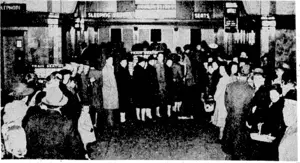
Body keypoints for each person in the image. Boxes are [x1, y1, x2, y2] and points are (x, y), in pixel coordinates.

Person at [23, 87, 86, 159]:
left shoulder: (33, 120)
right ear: (61, 105)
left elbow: (26, 142)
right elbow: (76, 148)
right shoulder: (67, 123)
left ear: (46, 103)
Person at [222, 73, 255, 160]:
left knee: (229, 139)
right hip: (242, 119)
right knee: (239, 142)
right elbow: (249, 106)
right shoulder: (251, 89)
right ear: (248, 76)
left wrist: (231, 112)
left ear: (239, 75)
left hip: (231, 116)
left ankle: (229, 157)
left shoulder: (229, 86)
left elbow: (226, 103)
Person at [250, 84, 285, 160]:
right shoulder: (274, 103)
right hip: (268, 133)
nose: (272, 96)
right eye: (270, 94)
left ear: (280, 94)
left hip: (272, 137)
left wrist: (262, 127)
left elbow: (275, 125)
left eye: (274, 94)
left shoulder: (279, 107)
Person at [211, 63, 231, 140]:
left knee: (221, 118)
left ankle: (221, 135)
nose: (220, 71)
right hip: (227, 100)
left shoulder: (222, 79)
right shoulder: (229, 78)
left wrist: (215, 97)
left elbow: (218, 91)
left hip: (221, 101)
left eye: (222, 69)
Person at [278, 93, 297, 161]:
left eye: (293, 106)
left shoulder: (295, 136)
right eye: (285, 105)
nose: (287, 111)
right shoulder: (290, 129)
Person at [102, 55, 119, 128]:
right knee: (109, 110)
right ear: (106, 60)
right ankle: (110, 126)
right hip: (109, 92)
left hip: (111, 92)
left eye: (112, 60)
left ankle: (111, 124)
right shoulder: (107, 69)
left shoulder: (110, 68)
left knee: (111, 109)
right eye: (110, 60)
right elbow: (110, 82)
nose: (111, 61)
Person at [116, 55, 132, 123]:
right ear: (120, 62)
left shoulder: (126, 70)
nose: (125, 63)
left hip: (126, 90)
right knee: (122, 104)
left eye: (126, 62)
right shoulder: (119, 70)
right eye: (124, 62)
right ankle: (122, 118)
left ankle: (124, 117)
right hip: (122, 90)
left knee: (125, 104)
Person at [155, 53, 167, 118]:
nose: (161, 57)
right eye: (159, 56)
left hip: (163, 84)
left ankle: (160, 112)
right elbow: (158, 76)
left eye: (162, 56)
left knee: (162, 98)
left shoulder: (163, 64)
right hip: (160, 84)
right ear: (157, 57)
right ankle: (158, 112)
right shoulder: (157, 65)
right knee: (159, 99)